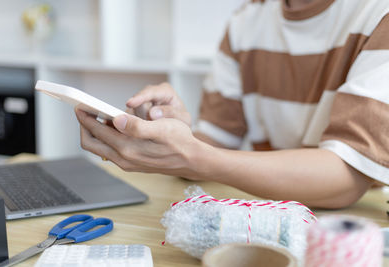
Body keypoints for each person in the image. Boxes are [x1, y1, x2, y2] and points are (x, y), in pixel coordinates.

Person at [75, 0, 389, 209]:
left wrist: (195, 156)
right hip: (270, 213)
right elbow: (214, 144)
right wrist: (173, 133)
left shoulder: (378, 13)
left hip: (356, 228)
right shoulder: (247, 20)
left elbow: (347, 176)